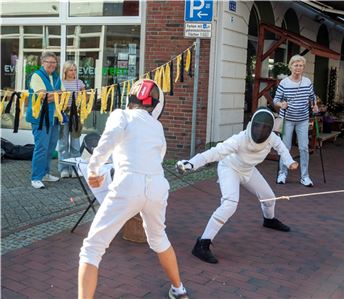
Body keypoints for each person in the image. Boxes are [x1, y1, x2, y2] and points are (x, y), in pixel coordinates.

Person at [78, 79, 190, 299]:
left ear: (130, 97)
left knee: (92, 248)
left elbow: (108, 139)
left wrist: (93, 169)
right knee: (159, 239)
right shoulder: (157, 126)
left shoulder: (121, 115)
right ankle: (179, 290)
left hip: (129, 184)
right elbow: (158, 157)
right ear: (155, 105)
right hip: (157, 186)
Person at [176, 108, 299, 264]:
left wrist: (289, 162)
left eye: (265, 128)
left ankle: (269, 220)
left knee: (269, 198)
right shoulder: (239, 139)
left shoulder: (272, 138)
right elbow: (215, 152)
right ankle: (202, 244)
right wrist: (191, 164)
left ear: (270, 130)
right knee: (230, 204)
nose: (260, 130)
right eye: (257, 126)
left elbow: (282, 149)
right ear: (251, 125)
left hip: (248, 170)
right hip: (230, 168)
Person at [273, 55, 319, 186]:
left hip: (303, 119)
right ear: (291, 66)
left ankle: (305, 176)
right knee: (285, 147)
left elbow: (312, 97)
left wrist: (314, 105)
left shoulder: (307, 82)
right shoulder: (284, 83)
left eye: (300, 65)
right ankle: (282, 174)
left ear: (303, 68)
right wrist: (281, 104)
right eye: (296, 65)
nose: (298, 68)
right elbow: (276, 100)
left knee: (304, 147)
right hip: (287, 119)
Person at [26, 51, 63, 189]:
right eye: (49, 62)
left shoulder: (56, 76)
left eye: (54, 62)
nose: (52, 65)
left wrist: (55, 95)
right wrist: (57, 94)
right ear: (42, 62)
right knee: (41, 147)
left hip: (54, 117)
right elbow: (44, 97)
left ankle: (46, 174)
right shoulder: (37, 76)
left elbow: (63, 94)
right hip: (40, 118)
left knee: (50, 148)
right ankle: (36, 177)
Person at [58, 61, 85, 178]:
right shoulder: (60, 83)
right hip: (63, 114)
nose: (73, 72)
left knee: (75, 143)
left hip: (75, 115)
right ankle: (63, 169)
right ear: (65, 71)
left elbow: (85, 98)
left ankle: (75, 168)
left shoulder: (79, 83)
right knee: (63, 144)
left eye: (74, 70)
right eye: (70, 70)